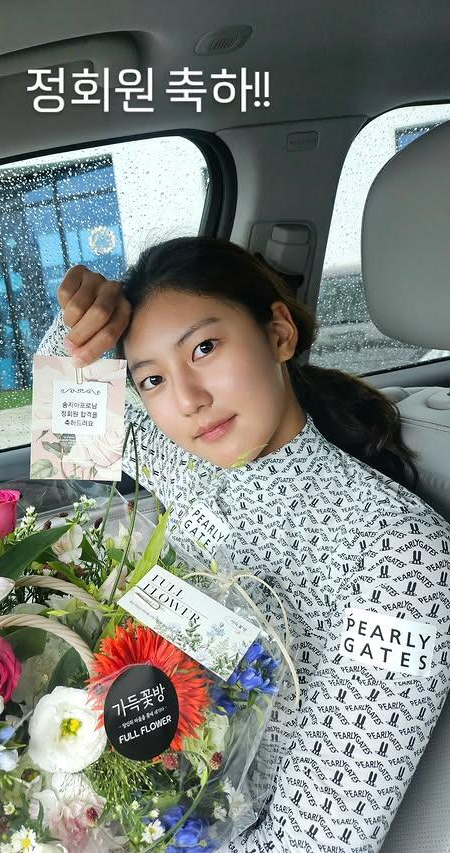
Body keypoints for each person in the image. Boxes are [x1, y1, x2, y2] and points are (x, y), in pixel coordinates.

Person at [36, 235, 450, 853]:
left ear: (279, 334)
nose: (188, 401)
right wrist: (82, 319)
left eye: (204, 348)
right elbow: (67, 434)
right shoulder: (186, 465)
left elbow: (319, 838)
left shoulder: (401, 557)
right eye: (152, 379)